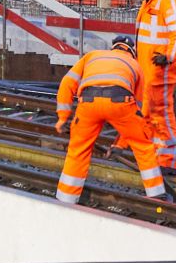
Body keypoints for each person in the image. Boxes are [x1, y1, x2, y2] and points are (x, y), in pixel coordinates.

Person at [53, 35, 166, 205]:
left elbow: (67, 84)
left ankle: (65, 200)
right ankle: (157, 196)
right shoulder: (135, 65)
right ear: (132, 51)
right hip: (120, 102)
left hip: (88, 103)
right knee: (143, 147)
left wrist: (63, 117)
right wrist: (120, 145)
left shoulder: (92, 56)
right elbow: (138, 112)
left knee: (78, 151)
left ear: (113, 47)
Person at [132, 0, 176, 185]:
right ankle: (155, 157)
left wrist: (169, 56)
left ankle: (168, 161)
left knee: (161, 114)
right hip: (148, 69)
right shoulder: (150, 0)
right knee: (148, 114)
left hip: (160, 69)